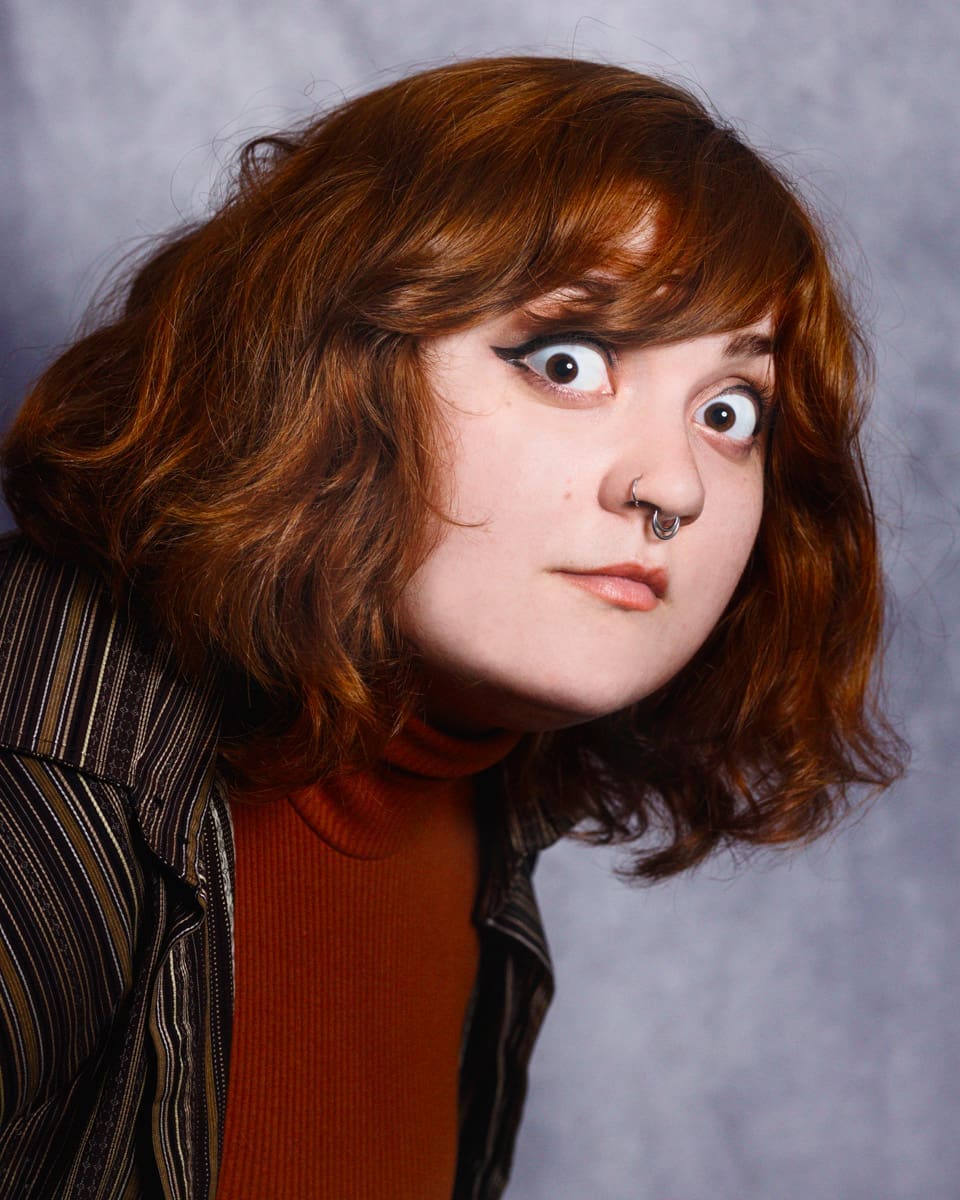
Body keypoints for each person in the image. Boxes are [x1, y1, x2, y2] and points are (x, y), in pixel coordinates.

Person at [0, 55, 903, 1200]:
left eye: (730, 412)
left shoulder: (476, 784)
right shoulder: (42, 763)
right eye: (568, 362)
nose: (672, 483)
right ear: (323, 359)